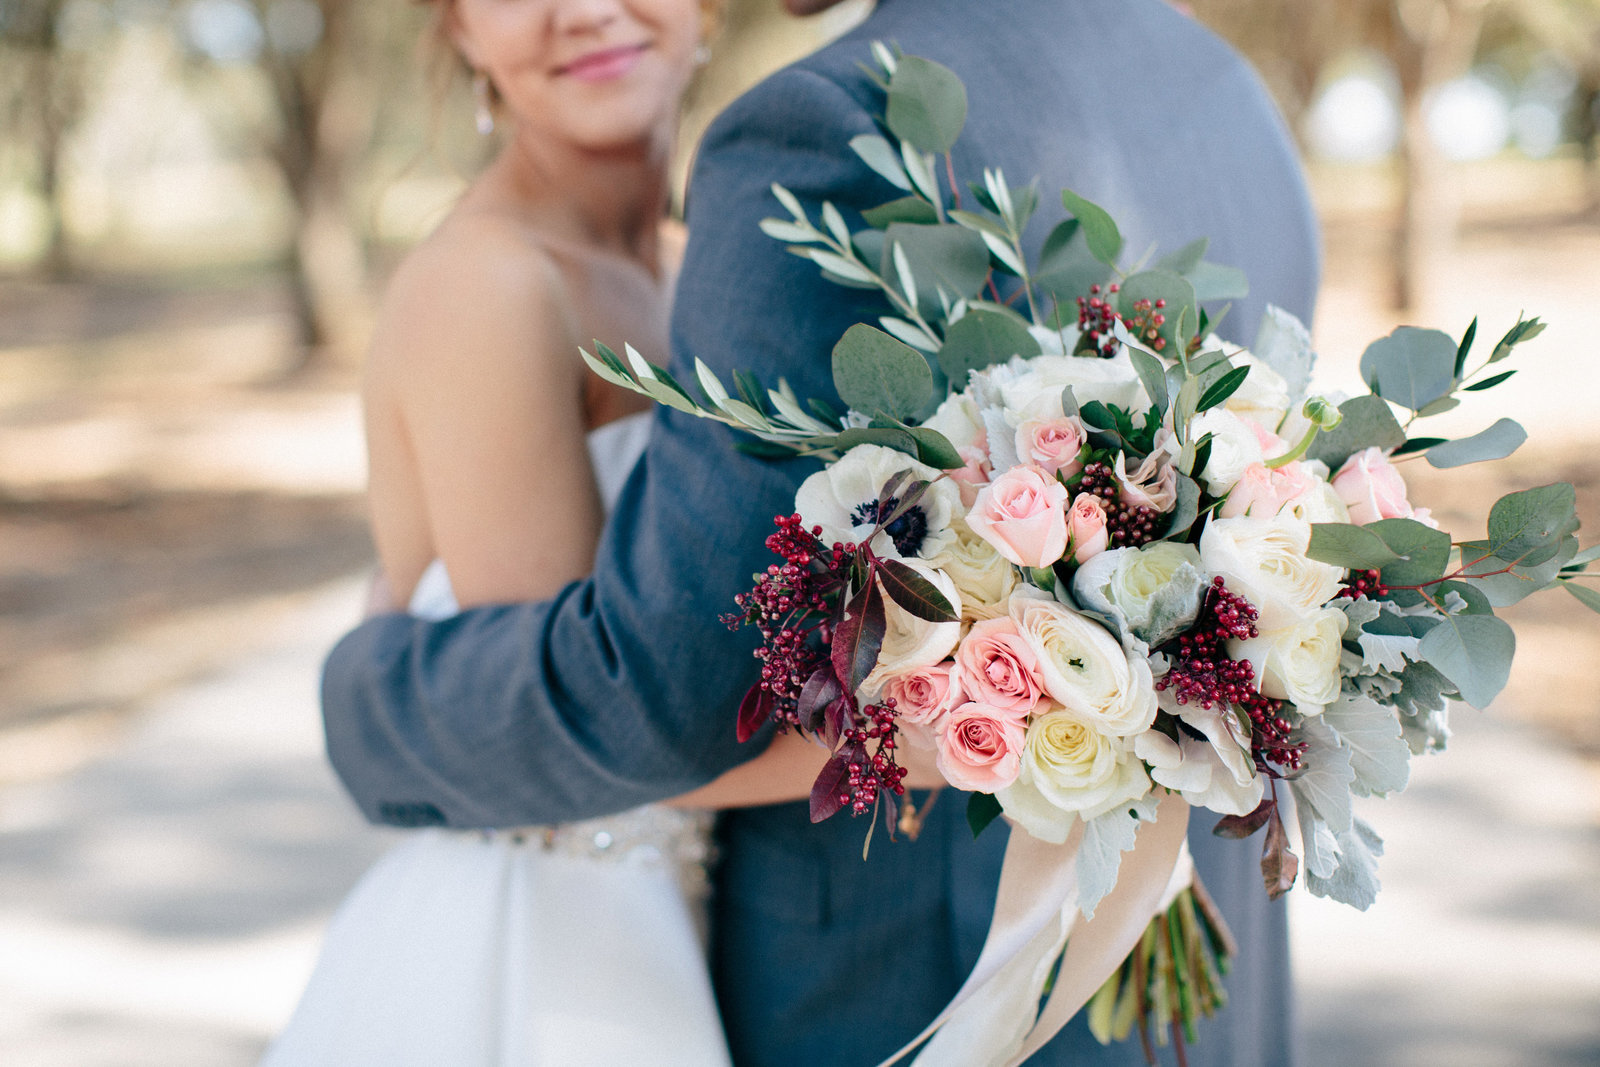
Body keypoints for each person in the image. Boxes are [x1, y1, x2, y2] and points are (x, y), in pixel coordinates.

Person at [321, 0, 1321, 1064]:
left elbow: (651, 698)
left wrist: (377, 692)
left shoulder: (755, 190)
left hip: (947, 956)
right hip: (584, 950)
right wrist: (952, 726)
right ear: (453, 26)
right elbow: (625, 716)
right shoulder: (1220, 90)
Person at [264, 1, 860, 1062]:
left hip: (682, 921)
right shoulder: (485, 284)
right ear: (454, 29)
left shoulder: (703, 270)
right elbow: (589, 734)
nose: (583, 9)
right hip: (542, 953)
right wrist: (952, 731)